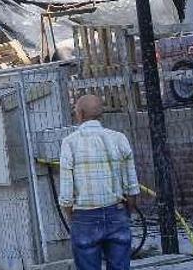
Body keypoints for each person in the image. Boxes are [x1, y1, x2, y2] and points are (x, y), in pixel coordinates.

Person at [59, 95, 140, 270]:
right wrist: (127, 211)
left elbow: (66, 193)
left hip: (84, 216)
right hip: (116, 211)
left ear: (80, 114)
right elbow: (132, 186)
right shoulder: (119, 138)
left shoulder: (70, 143)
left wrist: (71, 215)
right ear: (100, 114)